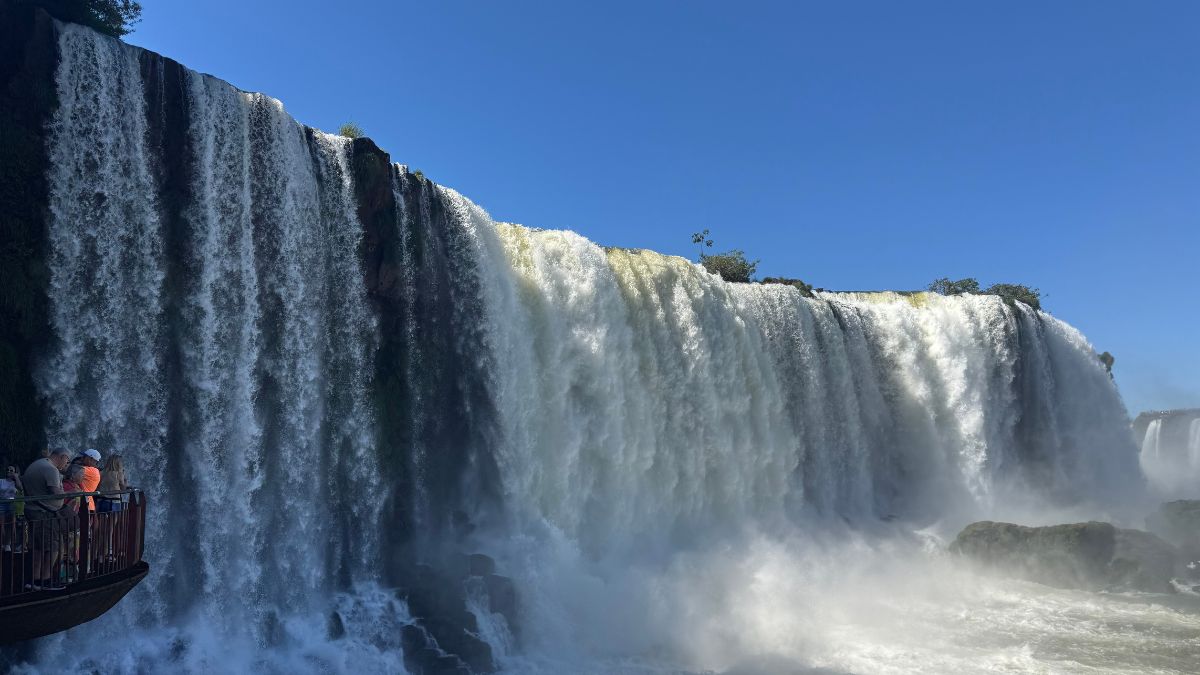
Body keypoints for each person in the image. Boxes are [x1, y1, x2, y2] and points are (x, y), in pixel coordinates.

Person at [22, 449, 71, 591]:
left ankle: (35, 581)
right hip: (44, 514)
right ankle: (47, 581)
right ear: (62, 457)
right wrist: (70, 493)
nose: (67, 464)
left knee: (39, 548)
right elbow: (55, 492)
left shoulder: (37, 464)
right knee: (53, 547)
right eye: (67, 460)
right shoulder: (51, 469)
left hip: (33, 510)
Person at [0, 458, 22, 552]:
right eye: (8, 470)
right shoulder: (1, 481)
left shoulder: (15, 482)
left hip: (12, 503)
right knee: (2, 525)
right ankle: (2, 543)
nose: (9, 471)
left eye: (11, 470)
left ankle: (8, 544)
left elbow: (20, 488)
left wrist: (16, 477)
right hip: (2, 503)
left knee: (11, 525)